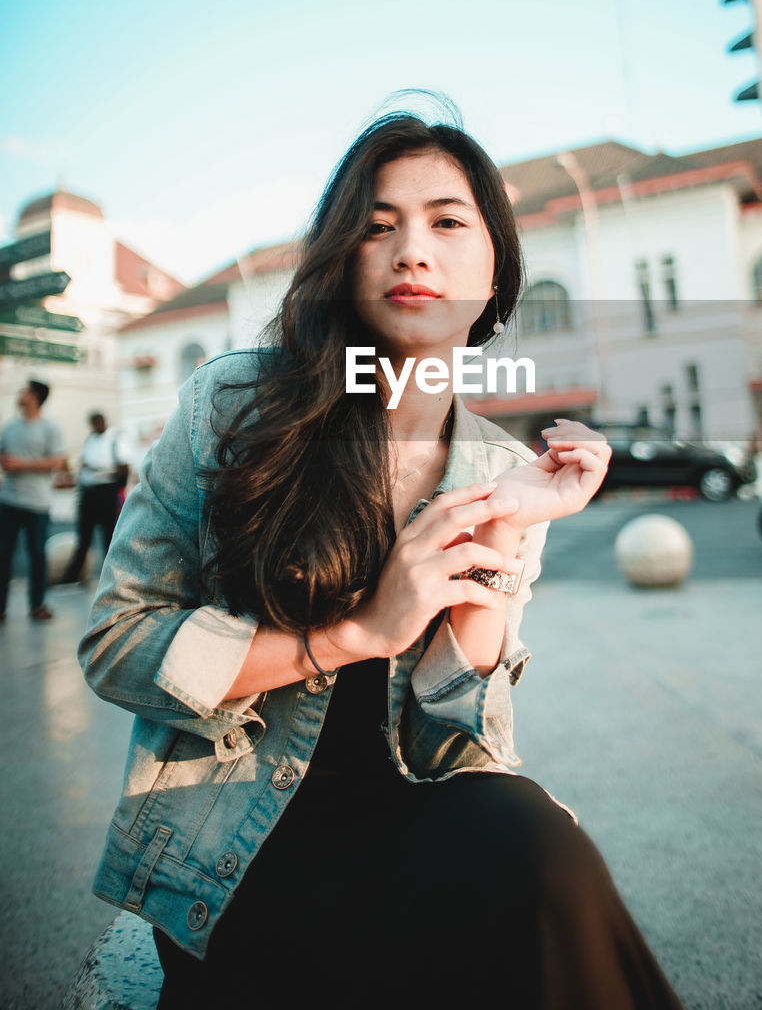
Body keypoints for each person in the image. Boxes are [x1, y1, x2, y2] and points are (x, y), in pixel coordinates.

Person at [79, 112, 684, 1009]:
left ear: (494, 271)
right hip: (235, 858)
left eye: (447, 222)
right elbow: (117, 643)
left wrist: (504, 539)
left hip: (409, 822)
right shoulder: (234, 405)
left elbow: (458, 741)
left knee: (535, 843)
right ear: (342, 260)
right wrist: (355, 632)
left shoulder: (502, 471)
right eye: (376, 225)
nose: (411, 251)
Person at [0, 379, 66, 621]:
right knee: (3, 554)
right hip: (8, 500)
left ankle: (38, 605)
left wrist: (21, 463)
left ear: (35, 396)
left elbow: (58, 461)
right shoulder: (10, 427)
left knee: (37, 554)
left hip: (37, 503)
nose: (20, 394)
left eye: (24, 391)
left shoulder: (50, 428)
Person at [60, 411, 130, 585]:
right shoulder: (90, 440)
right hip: (89, 492)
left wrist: (103, 475)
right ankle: (73, 575)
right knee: (84, 535)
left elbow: (122, 467)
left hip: (106, 491)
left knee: (109, 534)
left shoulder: (114, 439)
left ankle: (113, 575)